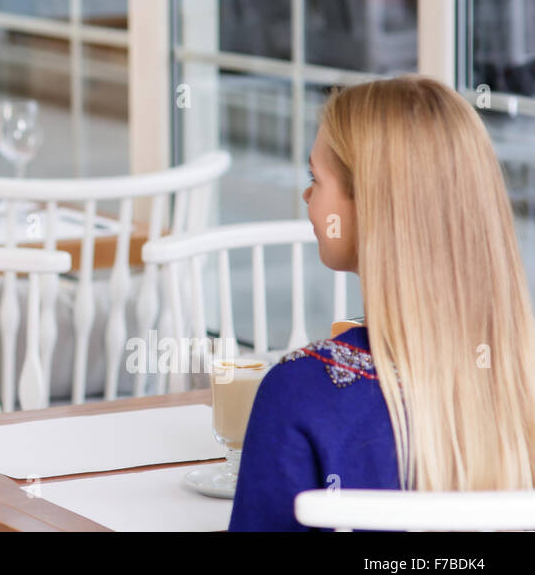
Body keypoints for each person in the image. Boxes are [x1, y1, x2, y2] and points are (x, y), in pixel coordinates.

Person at [229, 74, 535, 531]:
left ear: (370, 203)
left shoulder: (298, 394)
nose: (307, 193)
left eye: (316, 177)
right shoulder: (517, 377)